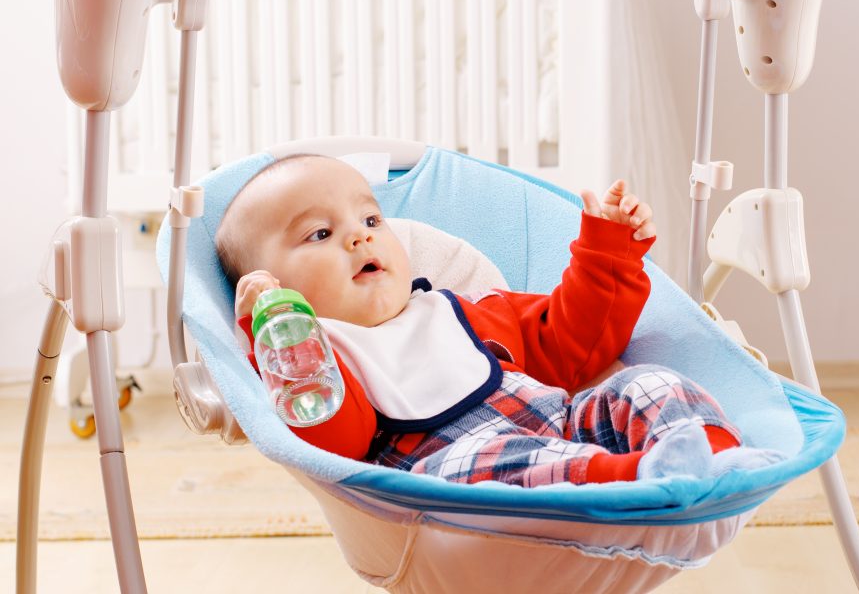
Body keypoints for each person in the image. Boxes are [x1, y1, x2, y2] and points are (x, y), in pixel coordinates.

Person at [216, 154, 781, 487]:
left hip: (563, 424)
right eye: (320, 233)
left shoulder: (464, 310)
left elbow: (570, 341)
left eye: (370, 217)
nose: (360, 235)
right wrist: (283, 337)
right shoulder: (324, 362)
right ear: (275, 290)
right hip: (455, 476)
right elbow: (334, 440)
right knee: (489, 463)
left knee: (647, 384)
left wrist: (609, 251)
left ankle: (718, 462)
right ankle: (645, 478)